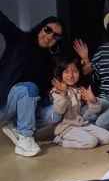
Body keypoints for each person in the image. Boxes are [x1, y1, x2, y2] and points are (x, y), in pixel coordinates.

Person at [0, 12, 64, 156]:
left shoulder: (48, 59)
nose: (49, 36)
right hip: (3, 103)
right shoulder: (18, 38)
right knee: (29, 88)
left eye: (56, 36)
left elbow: (44, 90)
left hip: (22, 105)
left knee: (55, 113)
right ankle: (25, 138)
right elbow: (2, 22)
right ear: (41, 28)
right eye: (48, 30)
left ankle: (15, 125)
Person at [50, 55, 109, 149]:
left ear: (80, 73)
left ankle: (84, 136)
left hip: (82, 123)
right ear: (60, 73)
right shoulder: (56, 90)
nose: (71, 75)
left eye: (75, 71)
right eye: (66, 72)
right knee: (91, 142)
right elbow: (59, 111)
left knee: (108, 137)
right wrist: (64, 95)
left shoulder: (79, 89)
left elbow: (96, 110)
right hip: (66, 127)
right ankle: (61, 141)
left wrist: (93, 100)